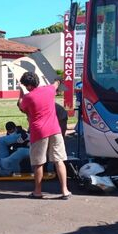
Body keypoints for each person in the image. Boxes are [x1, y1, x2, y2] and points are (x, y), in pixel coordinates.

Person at [17, 72, 71, 200]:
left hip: (39, 131)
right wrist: (57, 79)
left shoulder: (28, 97)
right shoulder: (49, 89)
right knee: (59, 160)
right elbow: (57, 82)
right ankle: (65, 191)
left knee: (39, 163)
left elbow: (21, 105)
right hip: (55, 129)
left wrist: (20, 91)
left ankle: (38, 191)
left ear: (28, 86)